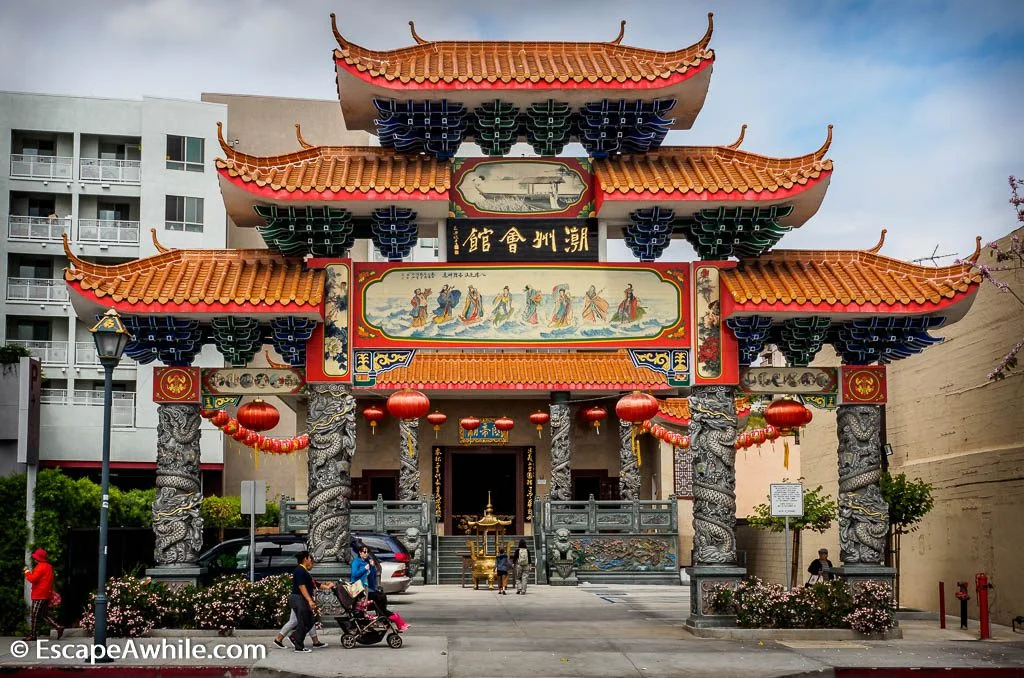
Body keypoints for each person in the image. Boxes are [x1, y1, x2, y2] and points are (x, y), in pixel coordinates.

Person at [352, 543, 409, 631]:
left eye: (367, 552)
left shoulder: (367, 561)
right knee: (377, 599)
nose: (366, 554)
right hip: (359, 588)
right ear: (360, 553)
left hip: (367, 588)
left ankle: (387, 616)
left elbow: (373, 576)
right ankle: (390, 617)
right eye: (364, 552)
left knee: (381, 597)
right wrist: (364, 568)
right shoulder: (356, 562)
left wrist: (372, 566)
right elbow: (355, 574)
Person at [274, 576, 332, 649]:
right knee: (304, 620)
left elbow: (315, 584)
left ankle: (279, 639)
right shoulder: (302, 572)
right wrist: (310, 600)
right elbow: (307, 585)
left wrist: (327, 585)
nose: (312, 564)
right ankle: (281, 639)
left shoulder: (305, 574)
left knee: (299, 620)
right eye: (312, 563)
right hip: (300, 601)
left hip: (300, 601)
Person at [23, 548, 62, 641]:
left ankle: (33, 635)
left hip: (39, 594)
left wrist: (26, 571)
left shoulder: (40, 567)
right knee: (44, 614)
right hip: (46, 594)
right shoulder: (49, 567)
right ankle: (58, 627)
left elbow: (32, 579)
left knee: (34, 615)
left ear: (38, 558)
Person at [289, 551, 318, 653]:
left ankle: (295, 637)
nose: (312, 562)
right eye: (311, 559)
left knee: (309, 621)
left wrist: (326, 585)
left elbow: (312, 584)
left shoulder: (304, 571)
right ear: (305, 559)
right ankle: (299, 646)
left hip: (301, 599)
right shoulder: (300, 571)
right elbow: (302, 586)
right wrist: (309, 600)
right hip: (299, 599)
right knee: (303, 622)